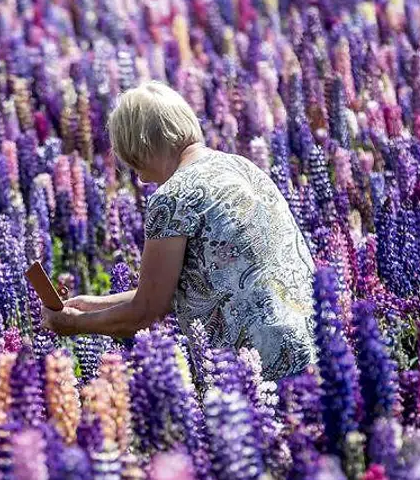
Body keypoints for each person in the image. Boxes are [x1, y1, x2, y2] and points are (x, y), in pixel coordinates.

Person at [39, 80, 317, 380]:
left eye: (134, 163)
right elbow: (169, 290)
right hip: (317, 346)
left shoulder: (173, 198)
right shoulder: (242, 166)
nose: (140, 179)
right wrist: (90, 306)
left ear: (142, 146)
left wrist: (74, 325)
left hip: (264, 369)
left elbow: (147, 311)